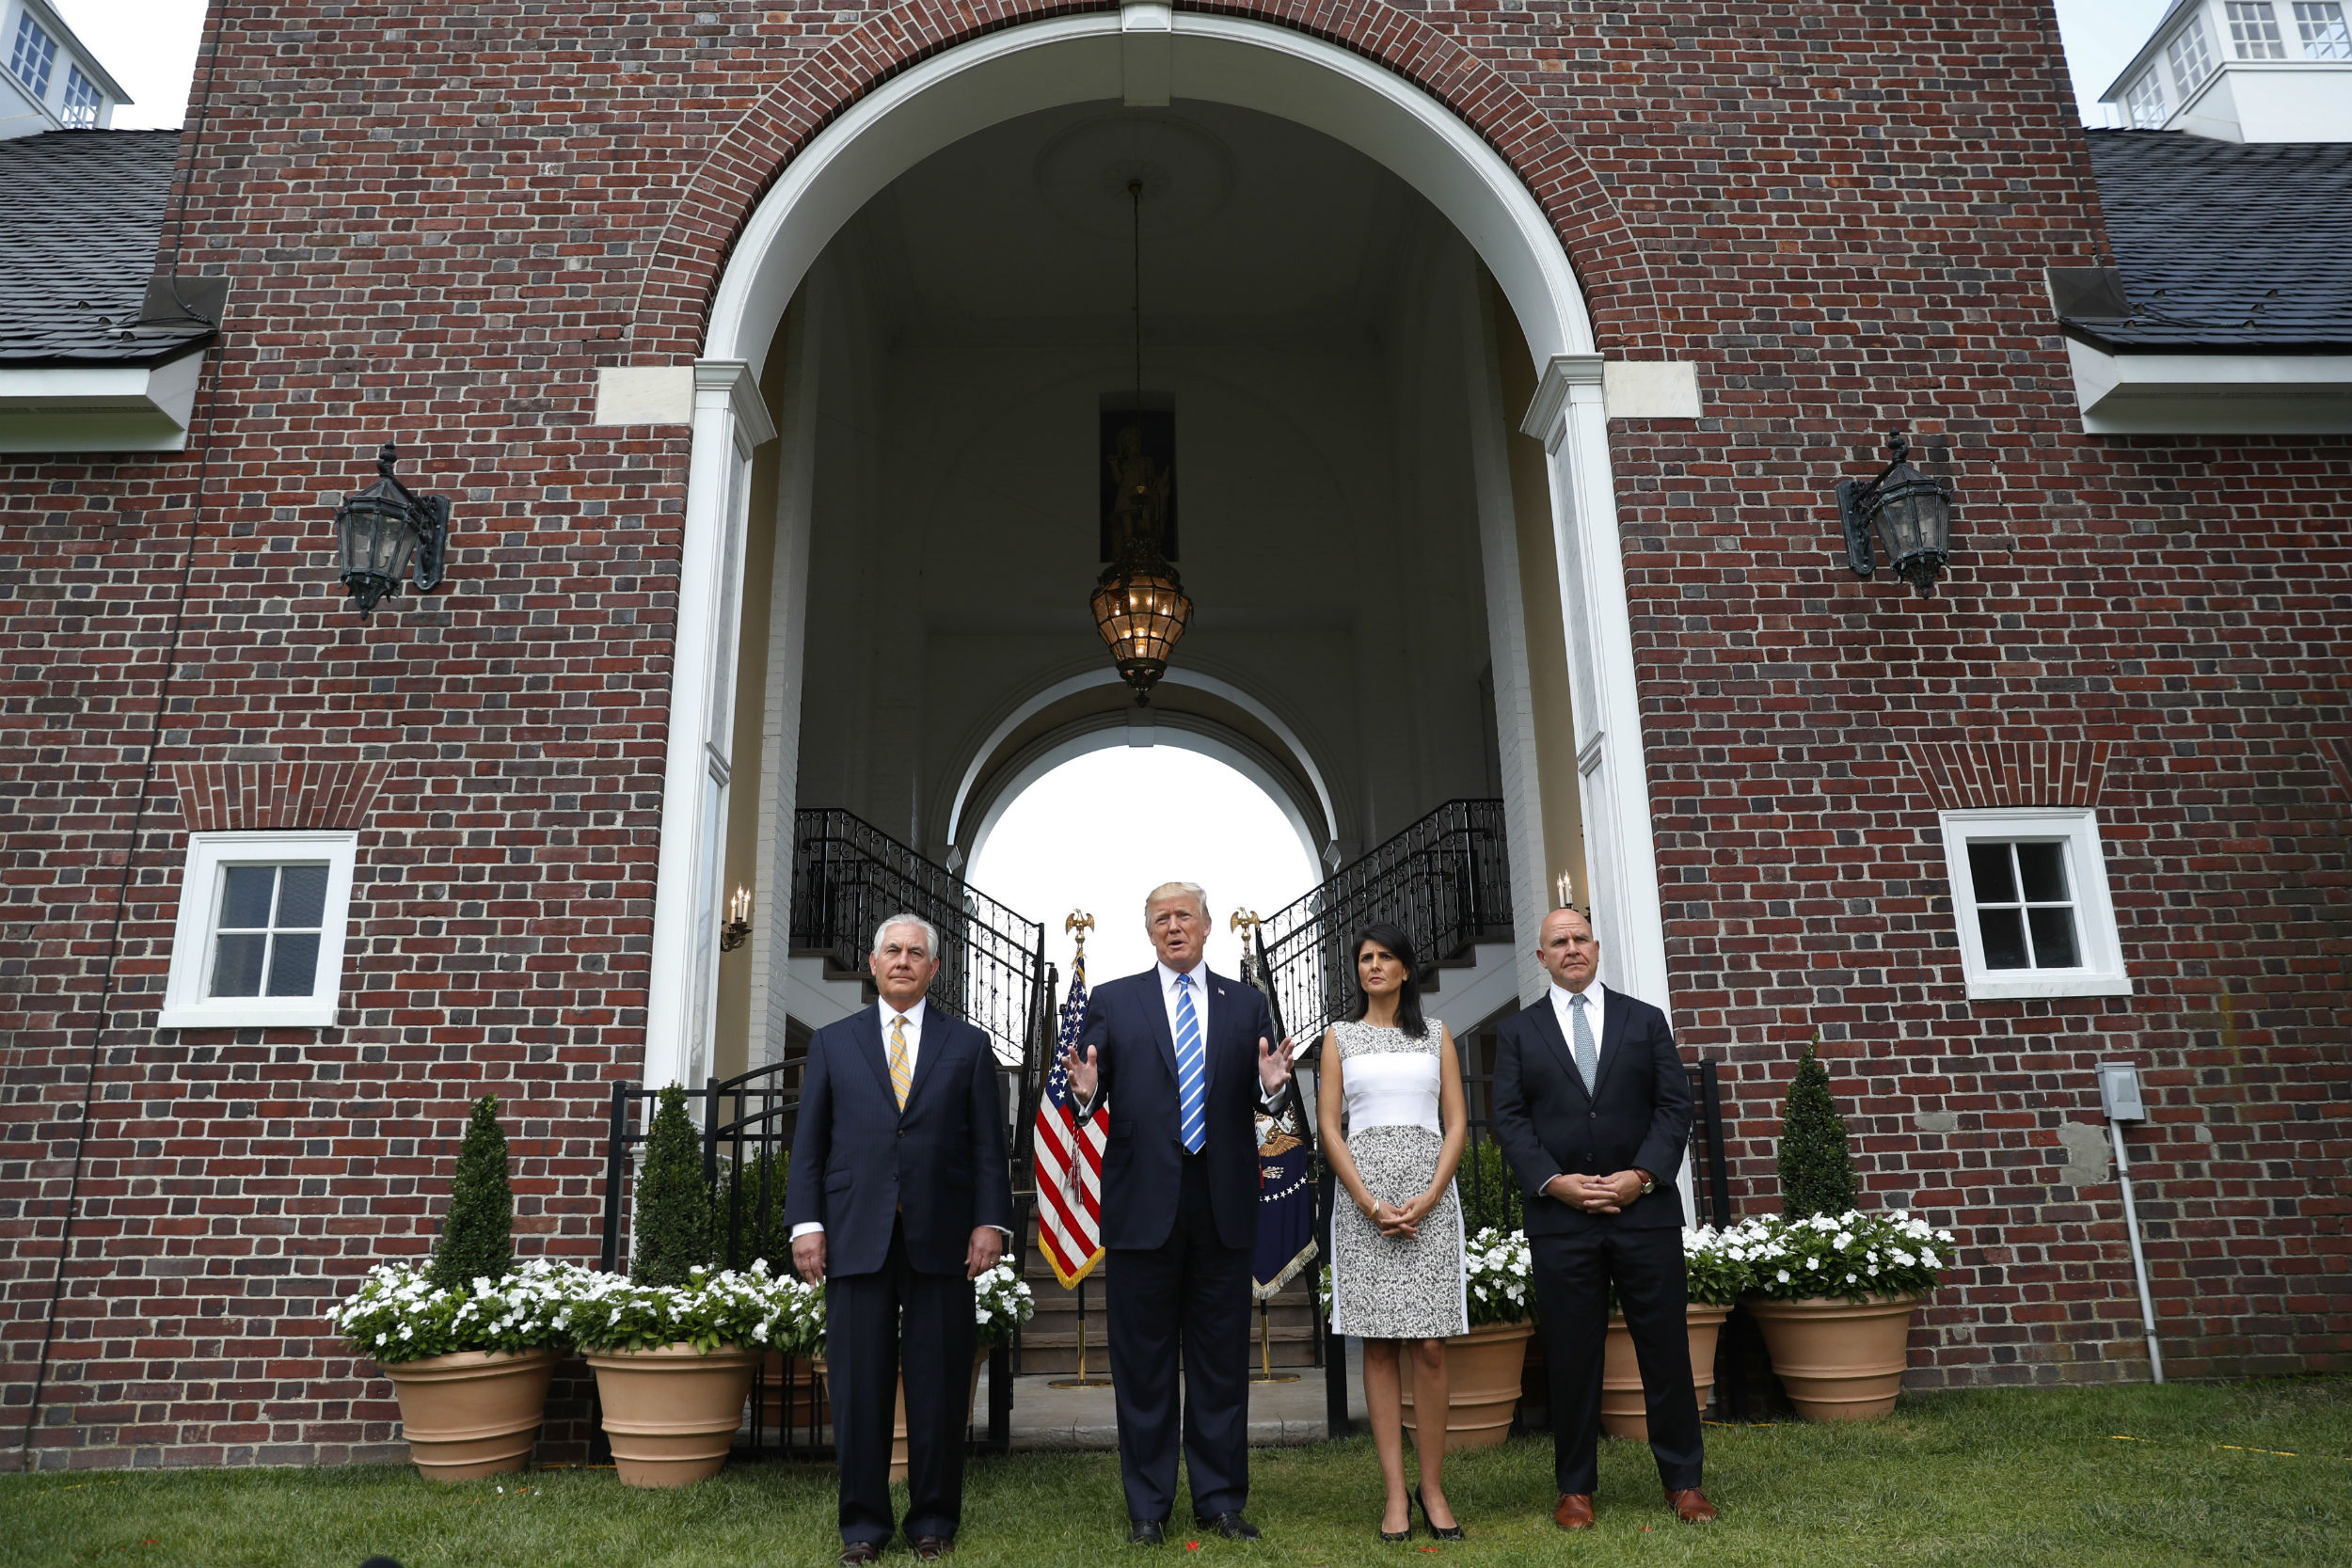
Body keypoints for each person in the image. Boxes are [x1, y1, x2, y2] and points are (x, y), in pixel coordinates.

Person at [1062, 882, 1295, 1544]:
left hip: (1221, 1202)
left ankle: (1220, 1500)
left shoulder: (1247, 1001)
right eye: (1160, 918)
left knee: (1221, 1360)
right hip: (1142, 1205)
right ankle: (1148, 1507)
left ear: (1207, 925)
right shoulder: (1113, 999)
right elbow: (1091, 1081)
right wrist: (1084, 1095)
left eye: (1183, 916)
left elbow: (1265, 1084)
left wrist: (1273, 1090)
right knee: (1143, 1363)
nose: (1173, 927)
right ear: (1148, 931)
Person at [785, 914, 1015, 1565]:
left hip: (944, 1237)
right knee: (858, 1386)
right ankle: (862, 1525)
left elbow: (987, 1149)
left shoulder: (967, 1046)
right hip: (855, 1232)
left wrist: (989, 1222)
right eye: (893, 950)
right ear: (873, 960)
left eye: (918, 952)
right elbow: (810, 1147)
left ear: (934, 969)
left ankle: (934, 1518)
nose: (905, 960)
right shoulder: (832, 1043)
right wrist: (807, 1224)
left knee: (940, 1383)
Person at [1489, 906, 1718, 1528]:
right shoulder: (1519, 1033)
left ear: (1597, 945)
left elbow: (1674, 1107)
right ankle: (1575, 1488)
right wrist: (1554, 1182)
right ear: (1541, 957)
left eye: (1580, 938)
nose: (1571, 949)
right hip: (1561, 1222)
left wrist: (1639, 1176)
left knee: (1665, 1349)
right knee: (1570, 1355)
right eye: (1558, 942)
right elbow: (1508, 1119)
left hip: (1643, 1214)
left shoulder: (1646, 1021)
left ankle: (1684, 1481)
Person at [1317, 923, 1470, 1543]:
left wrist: (1431, 1194)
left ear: (1406, 969)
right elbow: (1330, 1126)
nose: (1372, 966)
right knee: (1378, 1344)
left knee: (1429, 1345)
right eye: (1364, 958)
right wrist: (1368, 1200)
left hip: (1430, 1198)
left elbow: (1456, 1121)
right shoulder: (1339, 1037)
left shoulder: (1437, 1035)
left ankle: (1431, 1487)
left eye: (1384, 957)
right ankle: (1393, 1495)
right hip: (1364, 1204)